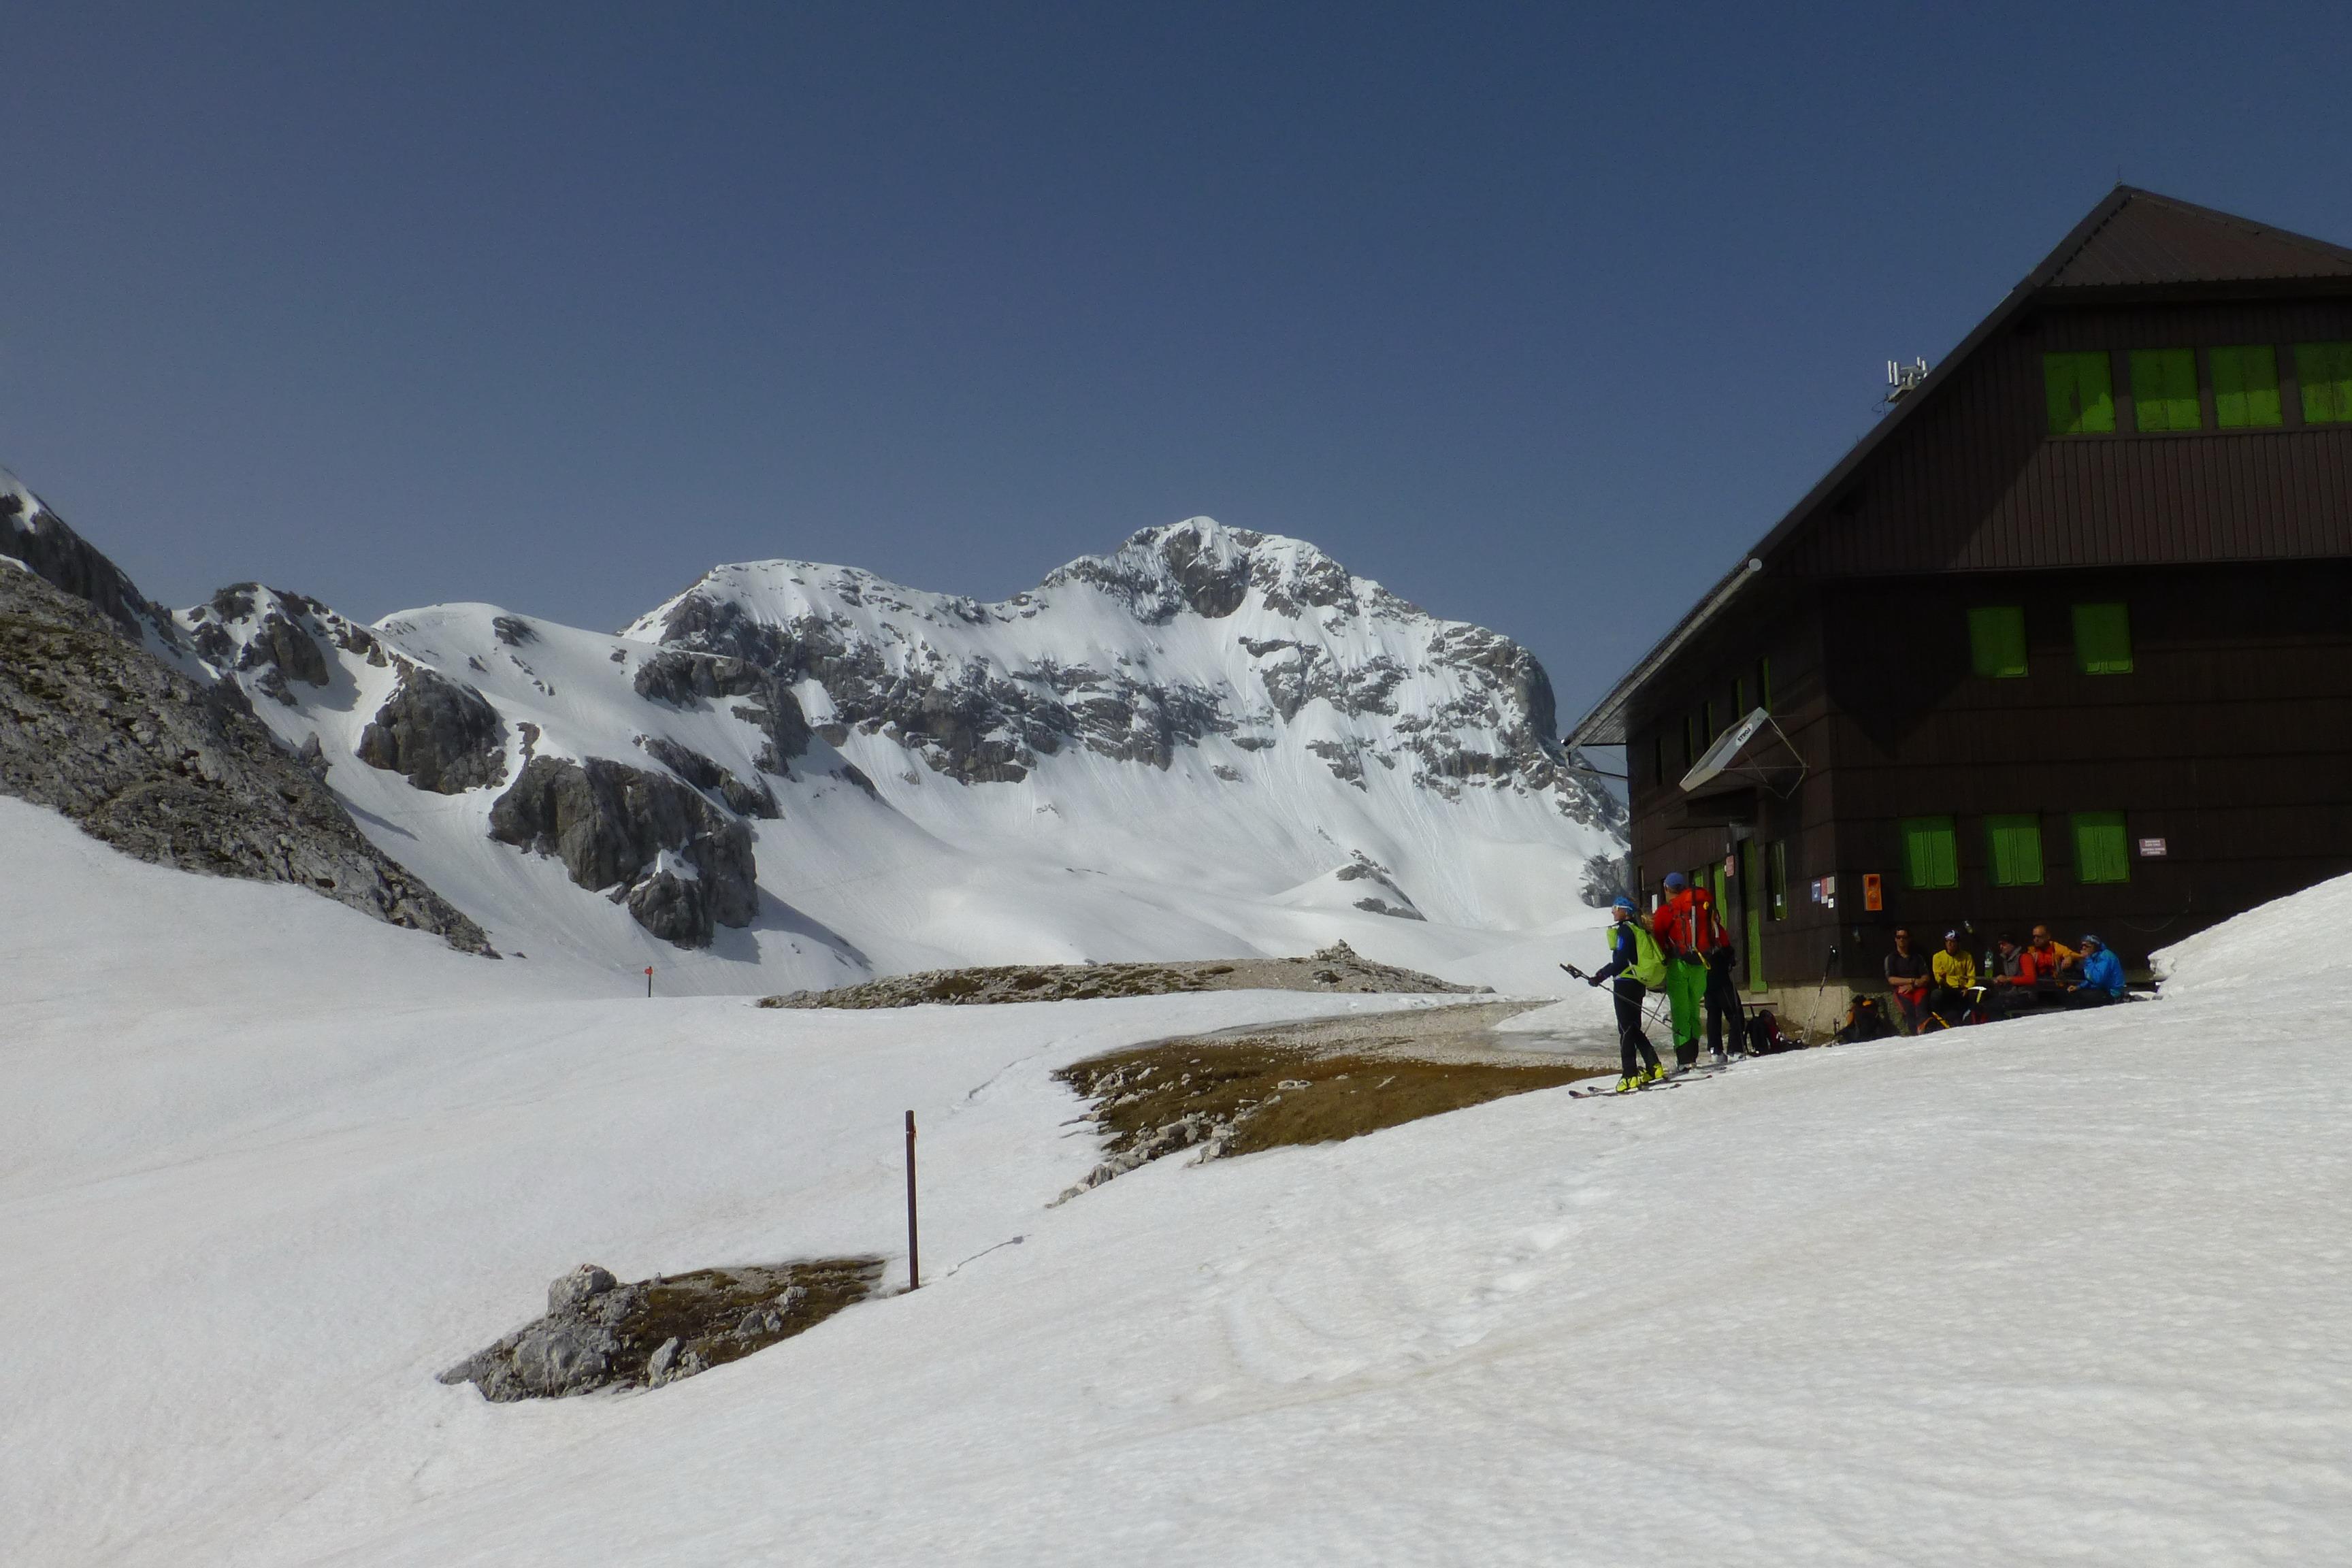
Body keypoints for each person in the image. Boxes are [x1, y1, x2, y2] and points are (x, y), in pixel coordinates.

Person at [1588, 895, 1666, 1091]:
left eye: (1616, 908)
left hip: (1625, 983)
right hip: (1637, 983)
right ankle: (1654, 1066)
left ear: (1625, 911)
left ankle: (1629, 1075)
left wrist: (1601, 975)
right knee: (1634, 1027)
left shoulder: (1624, 931)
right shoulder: (1638, 929)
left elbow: (1621, 960)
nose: (1613, 911)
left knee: (1626, 1030)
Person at [1652, 871, 1727, 1071]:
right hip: (1701, 964)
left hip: (1678, 965)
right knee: (1694, 1009)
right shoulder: (1700, 907)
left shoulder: (1667, 910)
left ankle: (1685, 1059)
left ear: (1667, 888)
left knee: (1680, 1012)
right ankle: (1692, 1056)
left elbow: (1658, 937)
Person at [1882, 927, 1931, 1034]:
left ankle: (1925, 1031)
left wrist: (1913, 985)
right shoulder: (1891, 958)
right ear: (1895, 939)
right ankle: (1914, 1034)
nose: (1901, 940)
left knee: (1922, 1009)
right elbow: (1892, 980)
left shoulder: (1917, 957)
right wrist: (1912, 981)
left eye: (1904, 937)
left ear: (1909, 939)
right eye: (1899, 937)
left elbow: (1926, 978)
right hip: (1902, 990)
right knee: (1909, 1011)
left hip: (1918, 988)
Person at [1703, 932, 1742, 1064]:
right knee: (1735, 1012)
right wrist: (1730, 956)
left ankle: (1715, 1050)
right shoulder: (1714, 926)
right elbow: (1724, 945)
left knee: (1713, 1013)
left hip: (1704, 973)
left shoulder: (1696, 926)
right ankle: (1735, 1050)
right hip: (1719, 972)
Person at [1928, 929, 1977, 1024]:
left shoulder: (1967, 956)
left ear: (1958, 943)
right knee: (1936, 994)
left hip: (1962, 989)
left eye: (1953, 941)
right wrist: (1943, 979)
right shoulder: (1938, 957)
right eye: (1947, 941)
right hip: (1947, 988)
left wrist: (1968, 988)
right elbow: (1937, 978)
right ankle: (1937, 1019)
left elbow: (1972, 976)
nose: (1950, 944)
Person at [2066, 934, 2127, 1007]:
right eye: (2082, 946)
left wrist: (2087, 959)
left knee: (2078, 999)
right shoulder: (2095, 957)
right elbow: (2091, 979)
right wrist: (2079, 987)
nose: (2083, 948)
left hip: (2112, 994)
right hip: (2102, 990)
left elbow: (2097, 979)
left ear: (2095, 947)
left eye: (2087, 946)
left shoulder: (2105, 957)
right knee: (2071, 994)